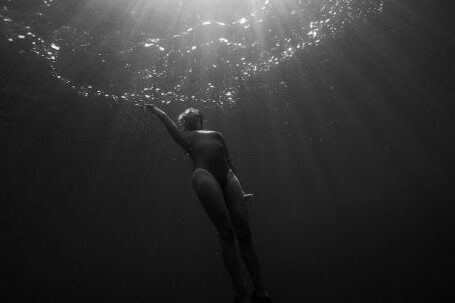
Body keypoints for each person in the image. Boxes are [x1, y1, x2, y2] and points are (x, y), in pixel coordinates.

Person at [145, 104, 272, 303]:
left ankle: (261, 290)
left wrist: (240, 191)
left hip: (229, 178)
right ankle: (242, 293)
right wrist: (158, 111)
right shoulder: (183, 137)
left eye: (193, 111)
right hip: (204, 176)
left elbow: (229, 162)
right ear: (184, 122)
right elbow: (169, 124)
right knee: (227, 232)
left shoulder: (217, 134)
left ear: (200, 118)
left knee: (245, 232)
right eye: (186, 113)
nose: (190, 112)